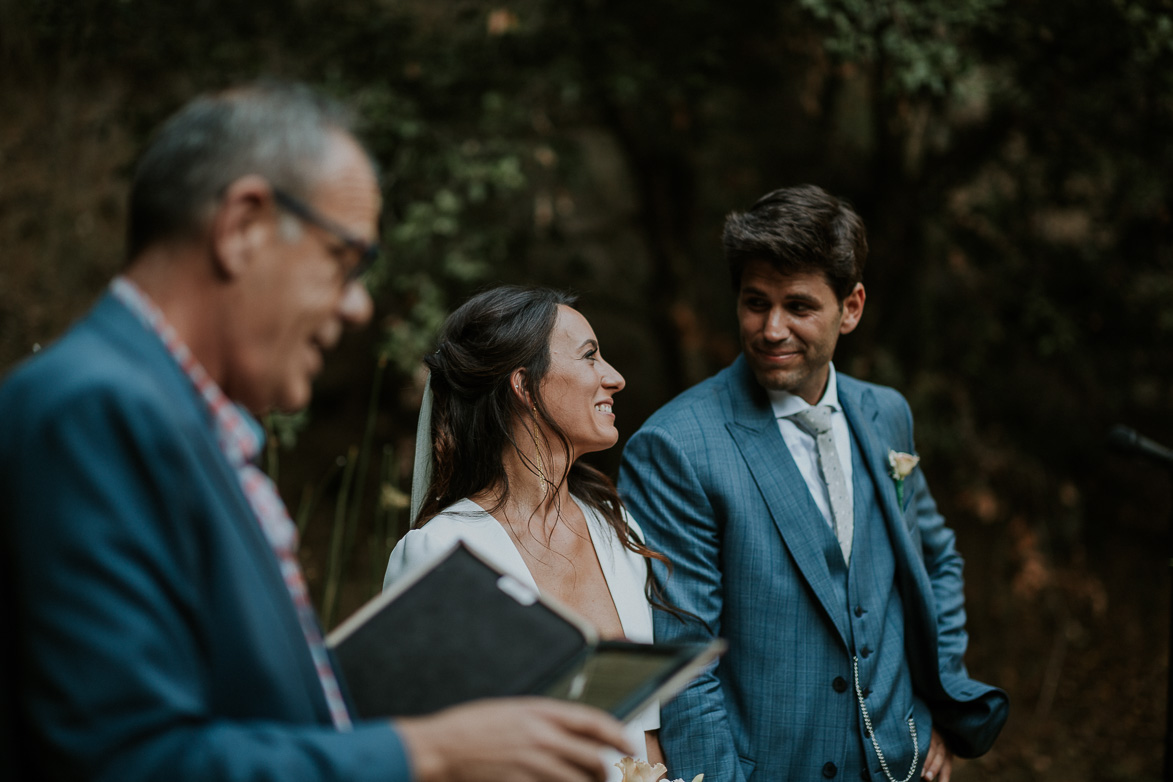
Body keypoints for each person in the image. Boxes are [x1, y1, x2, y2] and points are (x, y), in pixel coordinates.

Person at [0, 82, 632, 782]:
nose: (358, 305)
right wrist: (428, 751)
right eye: (344, 261)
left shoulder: (188, 424)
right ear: (243, 227)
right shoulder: (93, 410)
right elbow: (123, 759)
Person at [617, 185, 1009, 782]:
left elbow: (937, 559)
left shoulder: (887, 414)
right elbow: (684, 661)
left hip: (900, 764)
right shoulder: (677, 446)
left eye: (799, 306)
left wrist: (932, 705)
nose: (772, 328)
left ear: (850, 308)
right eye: (755, 302)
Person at [383, 285, 667, 781]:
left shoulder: (616, 530)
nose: (615, 378)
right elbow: (421, 746)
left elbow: (644, 734)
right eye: (590, 357)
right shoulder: (441, 552)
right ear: (524, 386)